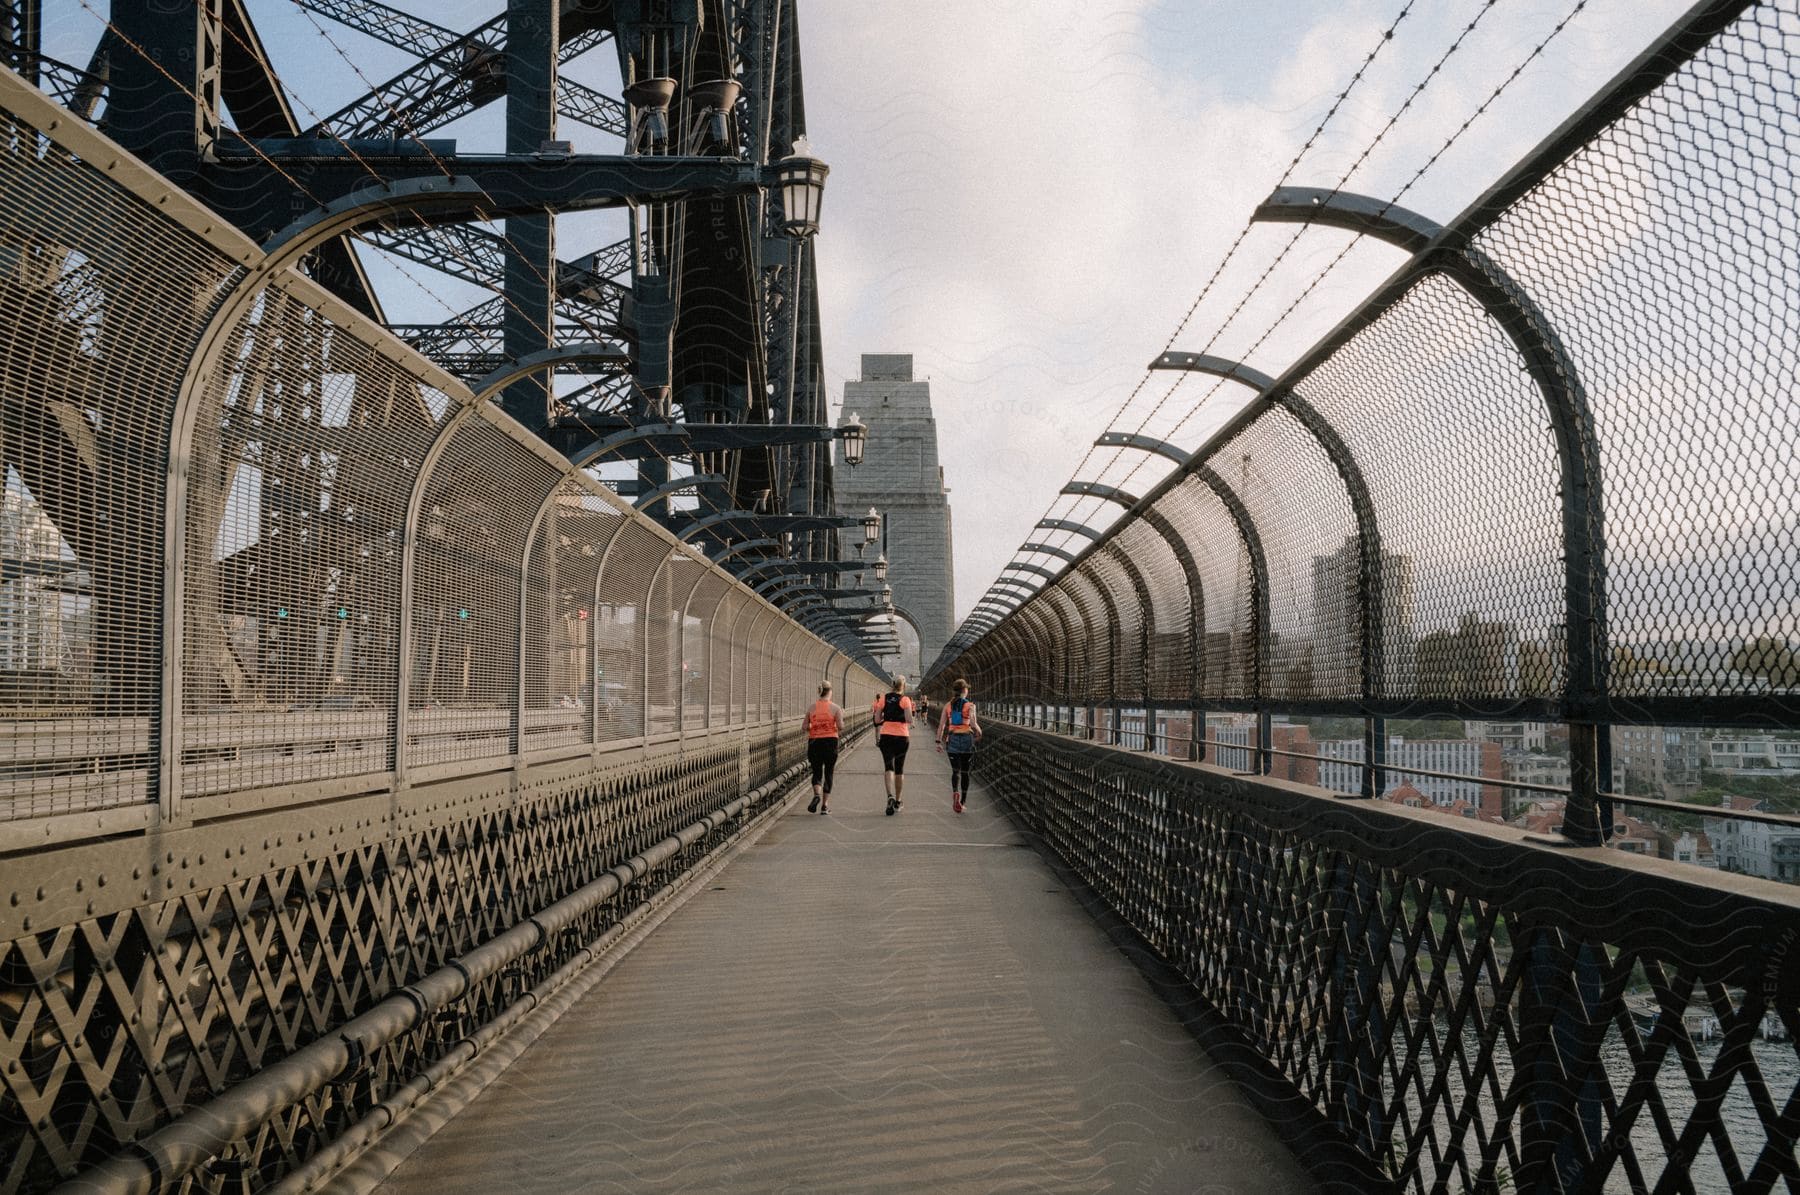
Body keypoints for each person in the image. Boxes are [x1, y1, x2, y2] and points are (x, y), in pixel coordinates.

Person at [936, 677, 981, 813]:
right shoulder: (970, 705)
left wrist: (938, 742)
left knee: (956, 771)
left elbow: (942, 725)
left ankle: (955, 792)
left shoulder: (948, 706)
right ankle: (962, 802)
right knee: (965, 772)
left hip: (953, 739)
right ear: (964, 690)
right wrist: (979, 731)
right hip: (966, 740)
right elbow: (972, 723)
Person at [872, 675, 915, 815]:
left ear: (892, 684)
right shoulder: (905, 699)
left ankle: (889, 795)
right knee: (899, 769)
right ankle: (898, 800)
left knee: (888, 767)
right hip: (902, 737)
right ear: (903, 686)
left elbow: (877, 719)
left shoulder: (883, 698)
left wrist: (886, 718)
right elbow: (909, 719)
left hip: (886, 736)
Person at [803, 681, 846, 814]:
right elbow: (840, 726)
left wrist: (814, 726)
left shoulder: (811, 708)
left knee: (816, 771)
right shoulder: (835, 708)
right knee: (828, 772)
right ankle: (824, 806)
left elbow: (804, 727)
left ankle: (817, 795)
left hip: (814, 741)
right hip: (830, 741)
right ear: (830, 691)